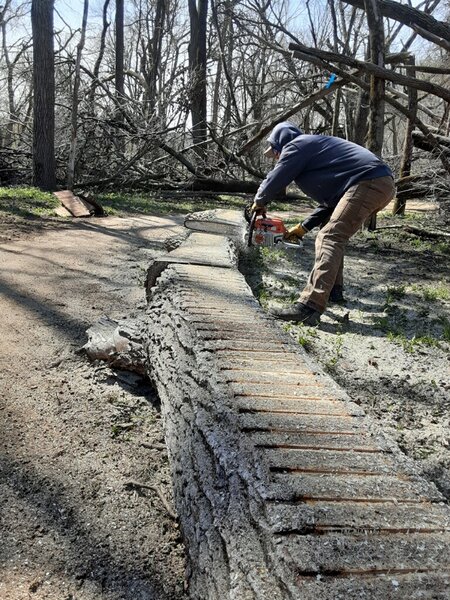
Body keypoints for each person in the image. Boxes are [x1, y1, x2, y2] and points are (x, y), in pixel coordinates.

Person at [251, 121, 396, 325]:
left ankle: (310, 306)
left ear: (281, 143)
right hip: (375, 182)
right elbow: (331, 204)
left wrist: (259, 200)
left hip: (368, 181)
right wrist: (303, 227)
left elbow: (277, 176)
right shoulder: (314, 152)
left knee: (330, 237)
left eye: (275, 151)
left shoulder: (297, 145)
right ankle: (333, 291)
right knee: (333, 232)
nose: (275, 157)